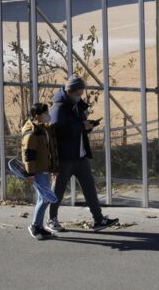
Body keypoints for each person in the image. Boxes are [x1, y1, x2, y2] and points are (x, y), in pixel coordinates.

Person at [45, 75, 118, 233]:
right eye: (78, 93)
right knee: (58, 189)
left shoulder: (75, 105)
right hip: (65, 157)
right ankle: (52, 219)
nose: (80, 96)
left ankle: (99, 219)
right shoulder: (59, 108)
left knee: (89, 187)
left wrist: (88, 126)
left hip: (80, 155)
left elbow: (77, 126)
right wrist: (80, 126)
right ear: (70, 91)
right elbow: (57, 130)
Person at [21, 102, 59, 241]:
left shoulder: (42, 128)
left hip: (44, 169)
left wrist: (53, 169)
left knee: (44, 198)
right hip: (38, 171)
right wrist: (30, 174)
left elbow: (49, 150)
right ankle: (35, 226)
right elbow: (29, 155)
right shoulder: (32, 132)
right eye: (45, 113)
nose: (48, 115)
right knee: (45, 198)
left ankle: (39, 226)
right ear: (37, 116)